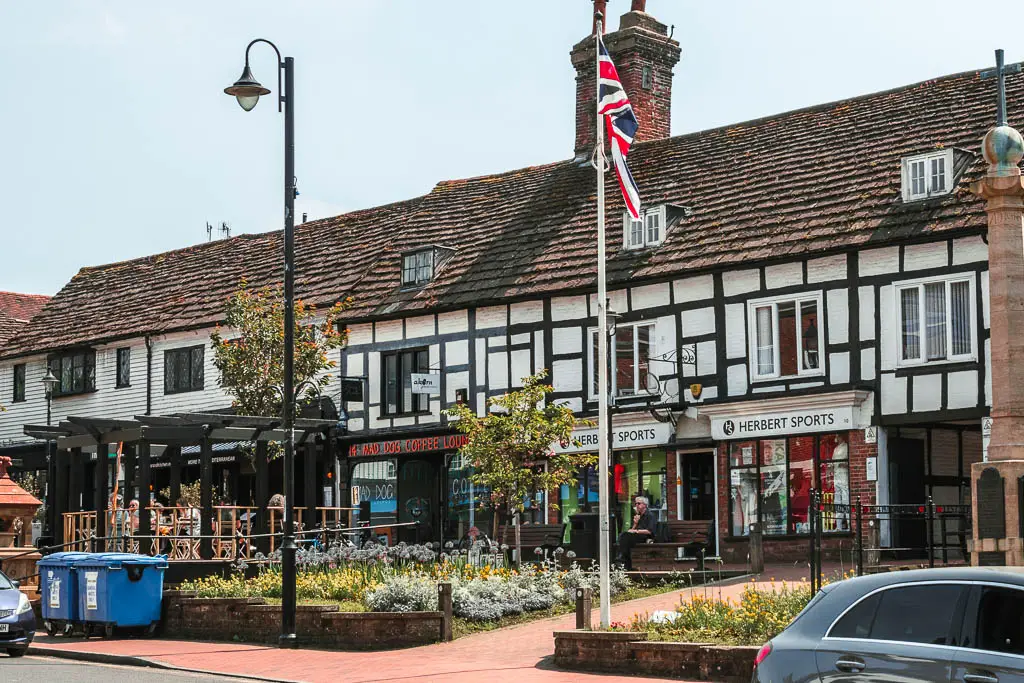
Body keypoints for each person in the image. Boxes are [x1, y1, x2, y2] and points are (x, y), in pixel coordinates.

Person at [616, 495, 658, 570]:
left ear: (645, 505)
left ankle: (622, 559)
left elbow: (649, 531)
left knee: (625, 539)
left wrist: (636, 531)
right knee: (624, 536)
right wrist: (635, 524)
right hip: (635, 536)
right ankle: (624, 561)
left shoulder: (650, 515)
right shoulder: (638, 516)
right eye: (635, 504)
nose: (636, 505)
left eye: (639, 503)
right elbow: (631, 530)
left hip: (645, 537)